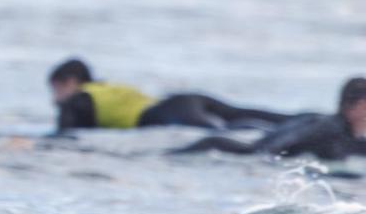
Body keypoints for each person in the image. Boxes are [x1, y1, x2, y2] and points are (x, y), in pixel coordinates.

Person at [48, 58, 292, 132]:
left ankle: (283, 135)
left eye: (56, 89)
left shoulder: (77, 101)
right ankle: (306, 120)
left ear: (70, 82)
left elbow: (66, 135)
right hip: (183, 101)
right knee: (241, 114)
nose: (54, 99)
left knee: (228, 132)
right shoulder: (106, 87)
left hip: (170, 113)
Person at [170, 77, 366, 160]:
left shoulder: (341, 132)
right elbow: (278, 147)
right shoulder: (330, 128)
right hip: (239, 153)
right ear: (356, 106)